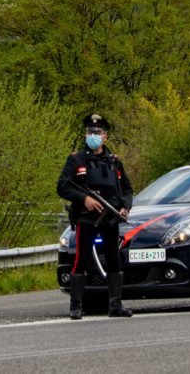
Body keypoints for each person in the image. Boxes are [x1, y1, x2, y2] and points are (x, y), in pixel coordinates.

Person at [56, 113, 134, 319]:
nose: (93, 136)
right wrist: (85, 200)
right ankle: (76, 305)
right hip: (86, 217)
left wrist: (125, 207)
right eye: (90, 132)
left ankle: (115, 305)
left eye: (97, 132)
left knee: (114, 259)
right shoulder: (76, 160)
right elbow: (63, 187)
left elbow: (127, 189)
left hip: (110, 217)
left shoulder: (114, 161)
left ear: (105, 136)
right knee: (81, 258)